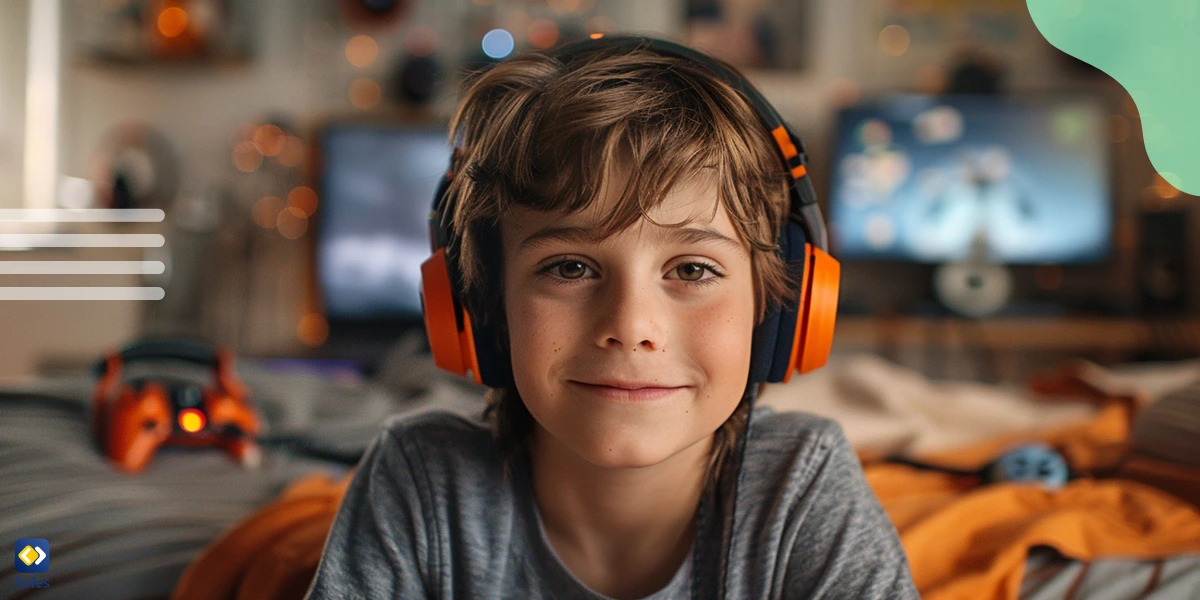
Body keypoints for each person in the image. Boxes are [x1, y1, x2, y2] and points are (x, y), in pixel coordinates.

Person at [305, 35, 918, 600]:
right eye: (570, 268)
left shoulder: (802, 489)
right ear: (480, 303)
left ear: (781, 308)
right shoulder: (420, 483)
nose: (631, 325)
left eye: (693, 270)